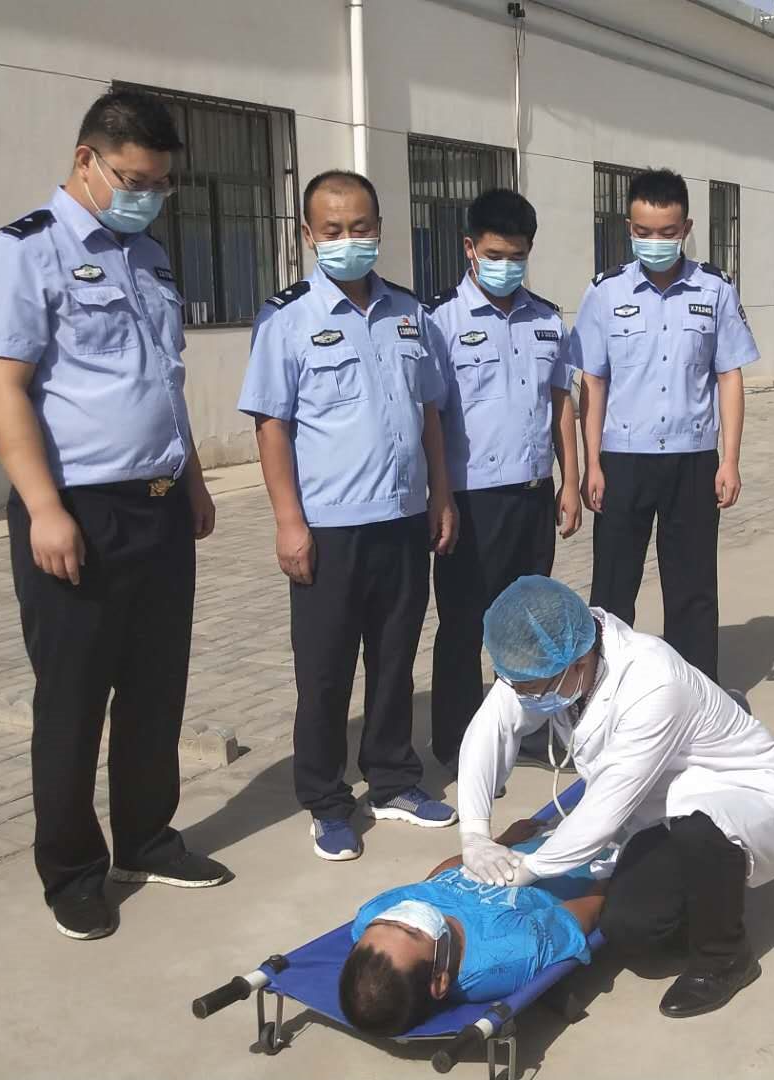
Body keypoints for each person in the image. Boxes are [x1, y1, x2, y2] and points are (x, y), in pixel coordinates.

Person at [0, 89, 231, 940]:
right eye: (133, 179)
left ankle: (146, 839)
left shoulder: (146, 256)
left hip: (159, 508)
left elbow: (163, 383)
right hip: (78, 510)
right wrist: (44, 509)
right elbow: (1, 388)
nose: (147, 195)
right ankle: (73, 872)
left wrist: (191, 481)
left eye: (159, 183)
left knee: (155, 689)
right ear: (87, 160)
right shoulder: (22, 254)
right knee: (74, 701)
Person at [455, 576, 774, 1019]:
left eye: (533, 689)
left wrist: (530, 869)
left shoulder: (653, 682)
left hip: (741, 792)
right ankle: (701, 892)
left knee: (701, 826)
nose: (525, 697)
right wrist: (474, 833)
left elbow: (607, 805)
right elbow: (490, 728)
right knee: (634, 931)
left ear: (580, 662)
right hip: (657, 806)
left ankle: (725, 958)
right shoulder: (549, 661)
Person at [238, 170, 461, 863]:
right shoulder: (287, 318)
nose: (348, 239)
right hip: (329, 526)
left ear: (380, 229)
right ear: (309, 235)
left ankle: (392, 780)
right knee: (326, 672)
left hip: (401, 516)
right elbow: (271, 426)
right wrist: (288, 522)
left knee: (395, 659)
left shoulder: (410, 313)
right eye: (332, 229)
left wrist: (441, 494)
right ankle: (327, 800)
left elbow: (429, 411)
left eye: (360, 227)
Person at [570, 169, 757, 683]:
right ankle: (605, 693)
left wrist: (730, 460)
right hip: (623, 460)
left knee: (692, 588)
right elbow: (593, 382)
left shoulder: (715, 289)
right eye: (644, 231)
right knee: (612, 589)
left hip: (692, 461)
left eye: (668, 231)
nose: (655, 241)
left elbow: (729, 375)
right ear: (629, 228)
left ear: (686, 228)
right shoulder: (605, 292)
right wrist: (592, 464)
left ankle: (695, 697)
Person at [424, 188, 582, 771]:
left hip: (532, 495)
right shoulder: (439, 320)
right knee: (464, 625)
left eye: (517, 255)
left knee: (528, 620)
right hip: (471, 500)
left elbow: (560, 403)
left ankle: (526, 729)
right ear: (469, 248)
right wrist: (440, 496)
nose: (505, 265)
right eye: (494, 254)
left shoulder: (546, 318)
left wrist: (570, 482)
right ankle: (460, 741)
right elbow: (430, 417)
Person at [338, 818, 606, 1037]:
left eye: (386, 921)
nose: (406, 913)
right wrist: (615, 866)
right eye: (412, 931)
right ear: (439, 981)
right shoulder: (507, 950)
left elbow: (436, 883)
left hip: (519, 845)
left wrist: (499, 843)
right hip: (585, 855)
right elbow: (586, 910)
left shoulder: (371, 915)